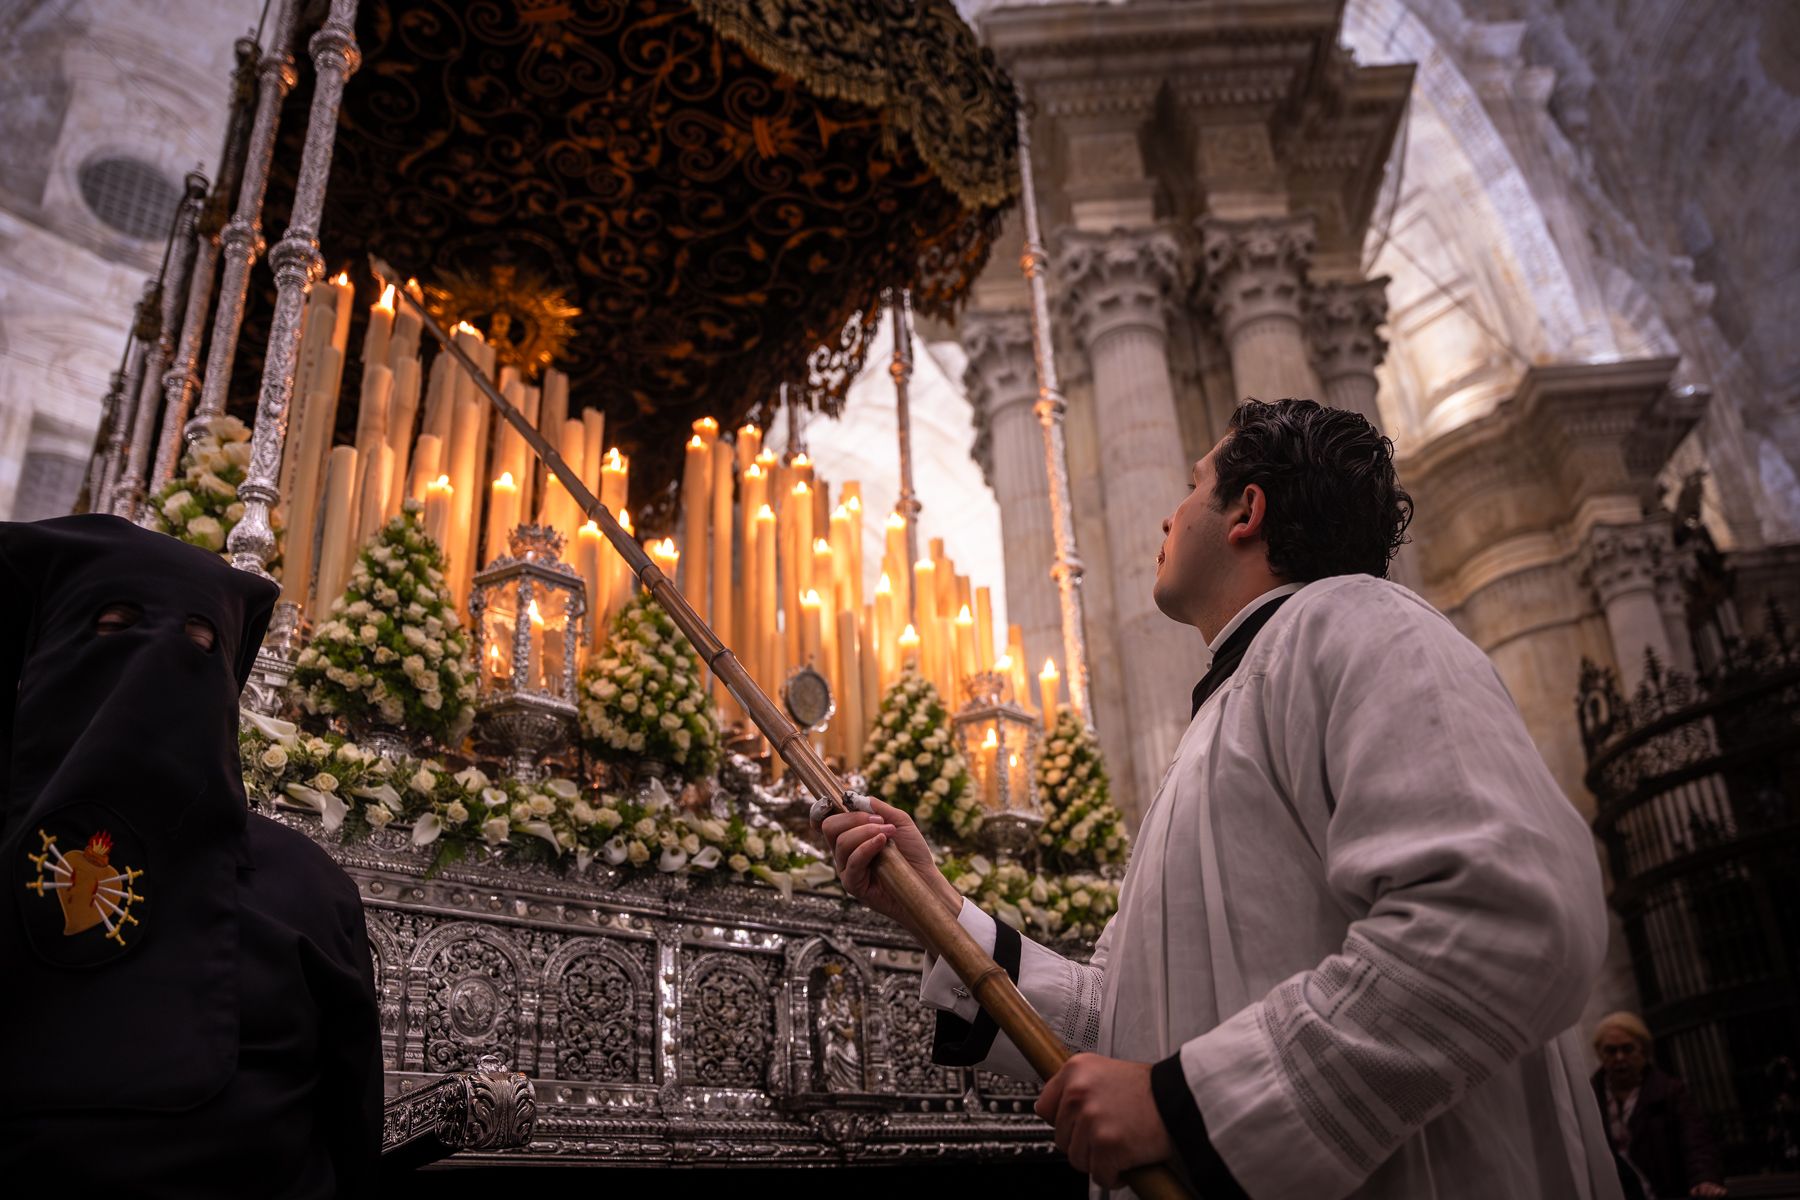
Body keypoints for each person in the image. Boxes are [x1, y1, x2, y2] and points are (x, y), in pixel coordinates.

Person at [821, 399, 1623, 1198]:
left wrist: (1187, 1107)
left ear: (1247, 509)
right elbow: (1129, 1021)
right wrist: (938, 908)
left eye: (1191, 485)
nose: (1167, 518)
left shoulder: (1363, 624)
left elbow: (1509, 916)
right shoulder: (1235, 704)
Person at [0, 514, 382, 1197]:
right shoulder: (307, 887)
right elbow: (354, 1136)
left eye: (197, 643)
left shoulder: (306, 889)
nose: (154, 664)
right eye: (117, 628)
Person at [1592, 1012, 1727, 1199]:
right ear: (1600, 1053)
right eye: (1611, 1051)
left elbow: (1695, 1140)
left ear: (1644, 1051)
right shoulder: (1592, 1098)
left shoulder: (1669, 1093)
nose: (1620, 1057)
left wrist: (1704, 1179)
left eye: (1628, 1049)